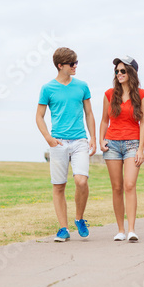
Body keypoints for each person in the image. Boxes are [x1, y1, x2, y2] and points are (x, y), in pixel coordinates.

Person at [36, 47, 96, 242]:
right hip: (58, 142)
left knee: (81, 181)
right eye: (72, 64)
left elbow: (89, 113)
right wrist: (48, 138)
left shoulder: (82, 86)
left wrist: (92, 138)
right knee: (59, 186)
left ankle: (79, 218)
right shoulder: (47, 89)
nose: (75, 66)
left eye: (76, 62)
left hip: (80, 140)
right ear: (60, 66)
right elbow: (39, 116)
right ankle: (63, 228)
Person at [99, 56, 144, 242]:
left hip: (132, 144)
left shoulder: (142, 95)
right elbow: (105, 120)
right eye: (117, 71)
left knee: (129, 184)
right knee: (117, 187)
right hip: (111, 144)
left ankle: (132, 229)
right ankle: (120, 229)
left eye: (123, 71)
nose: (119, 74)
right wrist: (101, 140)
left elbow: (143, 123)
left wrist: (141, 149)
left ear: (131, 73)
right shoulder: (109, 94)